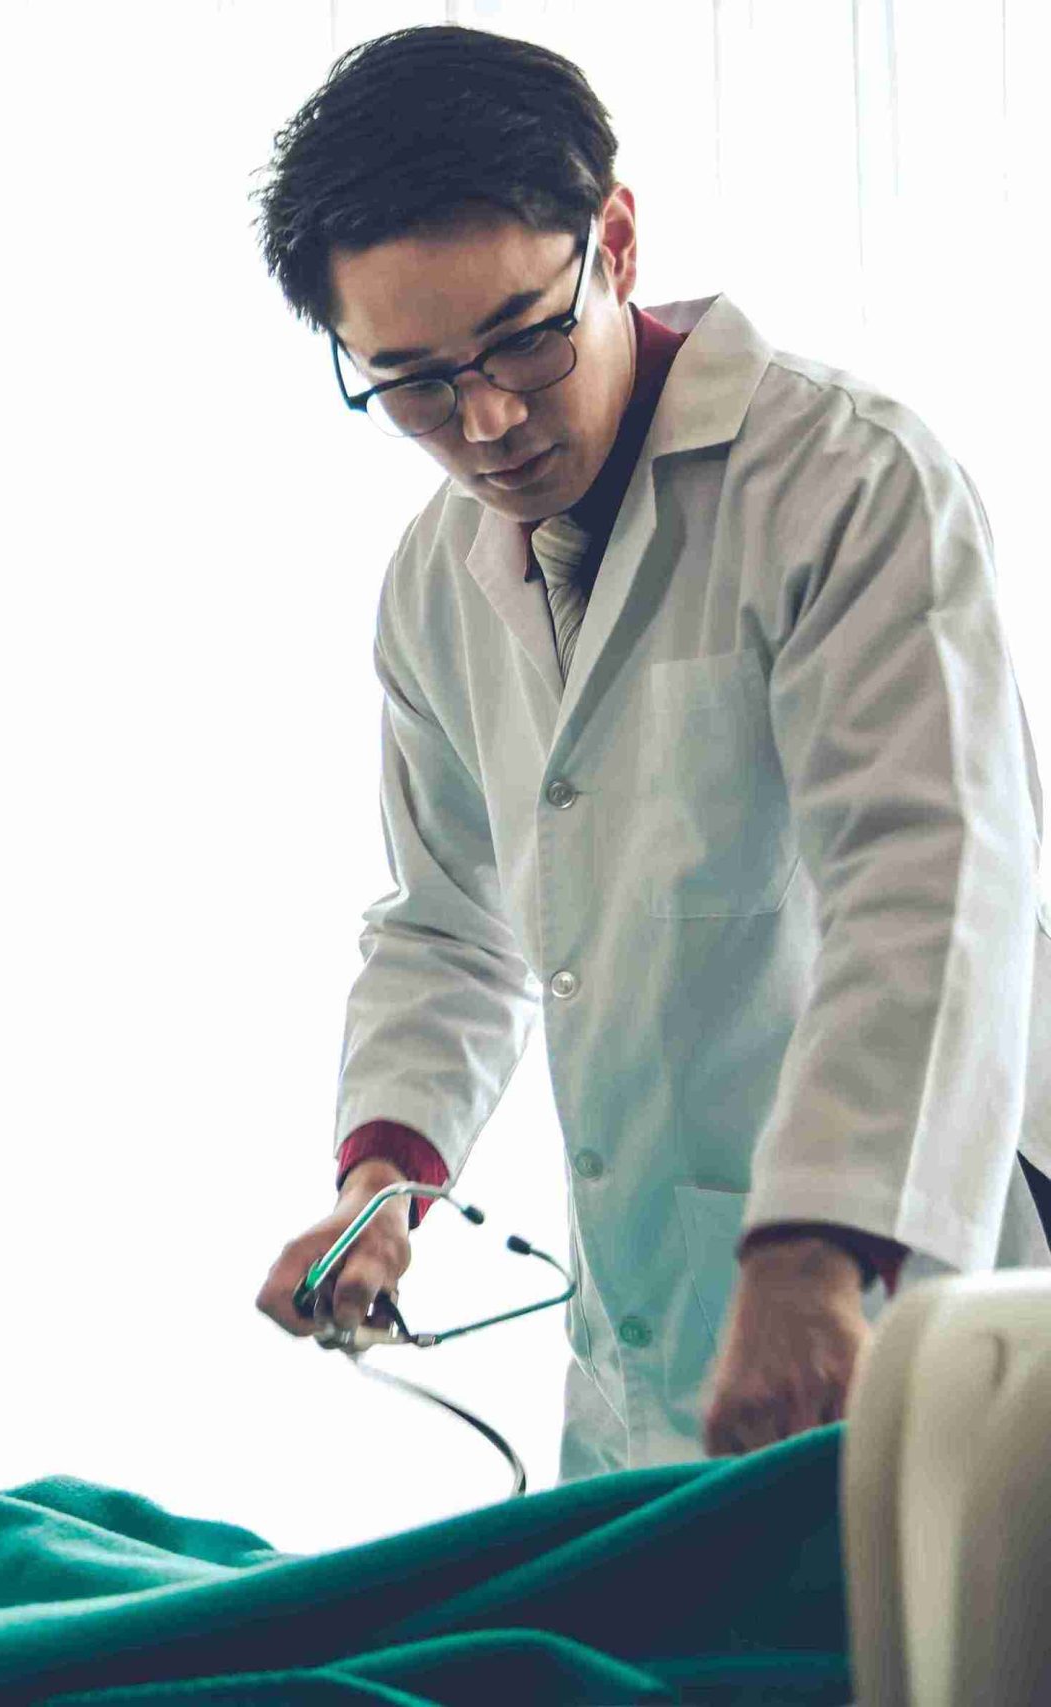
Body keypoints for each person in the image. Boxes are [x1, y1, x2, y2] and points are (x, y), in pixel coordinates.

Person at [246, 25, 1051, 1478]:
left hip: (896, 1278)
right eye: (414, 382)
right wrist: (386, 1178)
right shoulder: (437, 581)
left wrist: (817, 1248)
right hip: (643, 1331)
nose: (485, 420)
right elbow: (448, 922)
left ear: (614, 237)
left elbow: (930, 885)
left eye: (520, 340)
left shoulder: (849, 484)